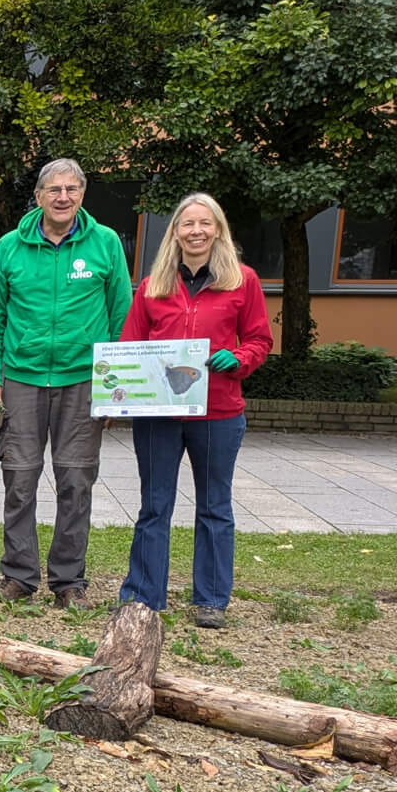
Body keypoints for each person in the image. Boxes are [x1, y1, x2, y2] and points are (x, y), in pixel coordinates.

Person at [0, 158, 134, 607]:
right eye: (54, 190)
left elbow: (122, 316)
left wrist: (114, 389)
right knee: (19, 481)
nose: (63, 197)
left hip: (83, 381)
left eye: (71, 189)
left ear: (82, 195)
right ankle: (19, 577)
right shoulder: (10, 247)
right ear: (39, 196)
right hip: (21, 379)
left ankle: (68, 581)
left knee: (76, 482)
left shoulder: (105, 243)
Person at [117, 193, 272, 628]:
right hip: (158, 417)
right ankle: (144, 595)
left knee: (214, 507)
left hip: (218, 413)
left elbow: (259, 340)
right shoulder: (154, 286)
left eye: (205, 223)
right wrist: (120, 389)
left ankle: (211, 599)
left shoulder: (242, 281)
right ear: (176, 232)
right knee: (154, 506)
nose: (196, 231)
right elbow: (130, 346)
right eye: (188, 224)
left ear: (218, 230)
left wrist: (237, 358)